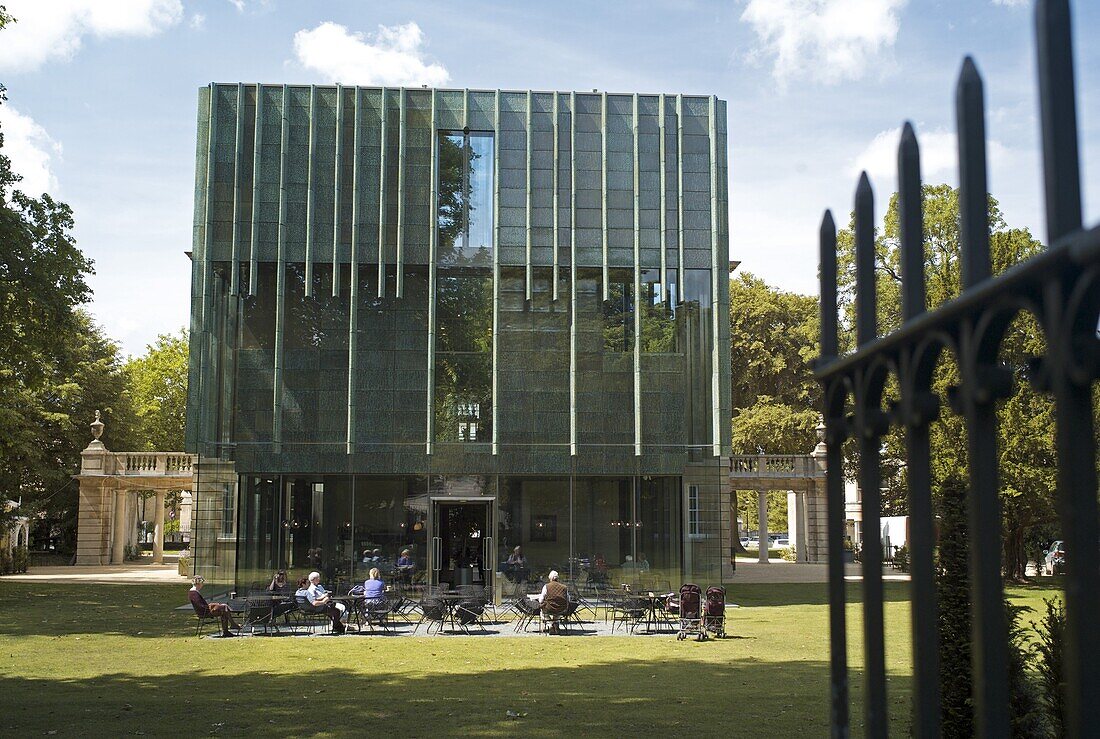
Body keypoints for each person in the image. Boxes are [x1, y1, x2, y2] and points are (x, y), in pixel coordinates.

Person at [538, 570, 569, 635]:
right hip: (561, 609)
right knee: (557, 613)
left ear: (550, 578)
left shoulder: (546, 586)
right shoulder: (564, 587)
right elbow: (568, 598)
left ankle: (551, 625)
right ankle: (556, 624)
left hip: (549, 608)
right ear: (557, 578)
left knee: (543, 612)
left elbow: (541, 600)